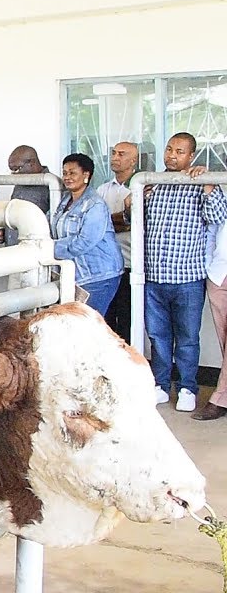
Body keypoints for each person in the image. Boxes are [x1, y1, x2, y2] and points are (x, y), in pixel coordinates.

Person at [138, 133, 227, 412]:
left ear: (191, 156)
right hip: (155, 276)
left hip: (188, 278)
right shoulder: (153, 183)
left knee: (187, 338)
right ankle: (161, 385)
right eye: (169, 149)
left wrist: (209, 184)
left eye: (179, 151)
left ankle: (188, 387)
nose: (172, 155)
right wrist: (136, 201)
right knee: (157, 337)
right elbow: (135, 223)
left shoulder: (197, 183)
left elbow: (217, 217)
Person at [50, 154, 124, 315]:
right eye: (65, 173)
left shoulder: (95, 204)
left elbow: (84, 242)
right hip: (76, 274)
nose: (67, 177)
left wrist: (48, 249)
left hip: (98, 275)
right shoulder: (65, 200)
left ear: (86, 175)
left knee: (87, 325)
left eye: (72, 173)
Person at [98, 141, 139, 341]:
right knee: (105, 320)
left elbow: (140, 223)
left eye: (121, 154)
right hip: (107, 265)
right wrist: (124, 218)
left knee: (127, 322)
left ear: (134, 160)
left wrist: (110, 222)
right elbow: (96, 225)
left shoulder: (142, 186)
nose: (115, 157)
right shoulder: (103, 189)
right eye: (113, 153)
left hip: (131, 265)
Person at [193, 221, 227, 420]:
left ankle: (219, 399)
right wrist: (209, 268)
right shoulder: (221, 197)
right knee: (224, 340)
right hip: (218, 274)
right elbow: (211, 233)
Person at [0, 145, 50, 246]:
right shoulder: (20, 181)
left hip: (34, 251)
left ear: (32, 163)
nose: (14, 174)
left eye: (17, 169)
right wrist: (5, 232)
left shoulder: (52, 186)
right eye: (12, 169)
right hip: (13, 249)